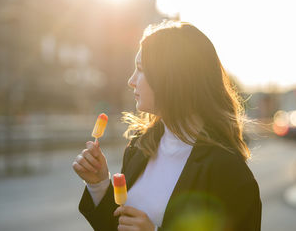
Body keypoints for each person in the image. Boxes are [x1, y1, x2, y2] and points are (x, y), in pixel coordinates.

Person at [73, 20, 262, 231]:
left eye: (141, 69)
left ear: (170, 78)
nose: (131, 80)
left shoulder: (229, 172)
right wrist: (98, 184)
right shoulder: (140, 146)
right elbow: (119, 226)